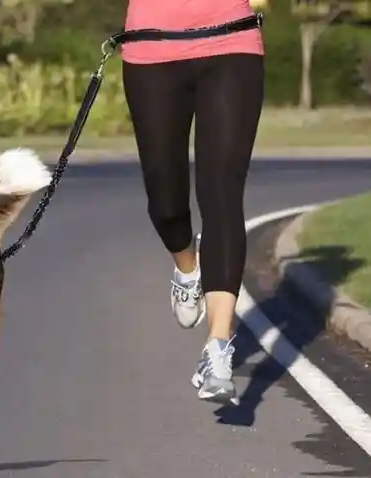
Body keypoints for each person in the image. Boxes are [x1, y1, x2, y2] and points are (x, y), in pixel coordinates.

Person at [121, 0, 264, 404]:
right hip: (151, 49)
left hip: (232, 42)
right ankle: (187, 268)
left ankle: (218, 350)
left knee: (222, 195)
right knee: (166, 203)